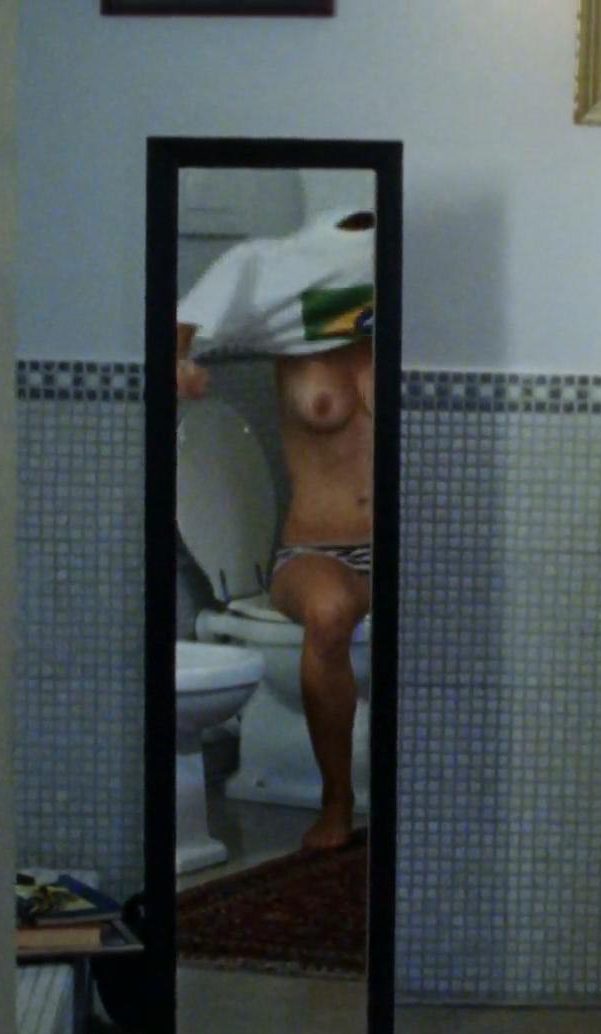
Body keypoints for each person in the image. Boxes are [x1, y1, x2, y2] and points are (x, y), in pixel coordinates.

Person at [175, 209, 374, 850]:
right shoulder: (282, 288)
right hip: (318, 550)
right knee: (330, 612)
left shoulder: (415, 305)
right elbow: (180, 323)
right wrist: (178, 362)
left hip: (402, 546)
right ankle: (337, 799)